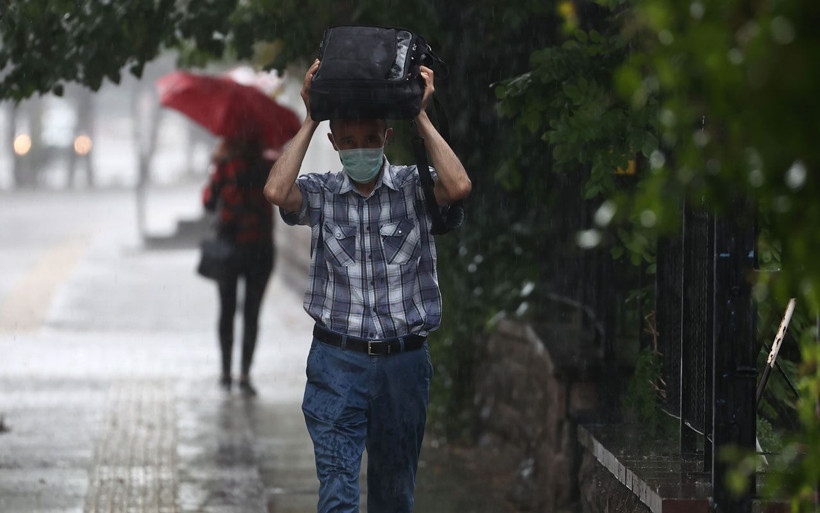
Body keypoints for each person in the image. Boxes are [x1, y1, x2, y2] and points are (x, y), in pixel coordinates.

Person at [263, 59, 471, 512]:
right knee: (338, 494)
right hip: (337, 363)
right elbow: (277, 192)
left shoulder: (414, 189)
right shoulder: (321, 193)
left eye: (371, 140)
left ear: (386, 138)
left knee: (394, 496)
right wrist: (311, 117)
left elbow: (458, 186)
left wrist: (419, 114)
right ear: (335, 143)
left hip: (404, 367)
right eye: (350, 142)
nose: (361, 150)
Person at [203, 137, 276, 396]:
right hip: (260, 249)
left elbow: (208, 202)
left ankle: (226, 374)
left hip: (230, 248)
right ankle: (244, 375)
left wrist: (216, 170)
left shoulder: (225, 167)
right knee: (251, 313)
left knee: (227, 310)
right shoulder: (268, 166)